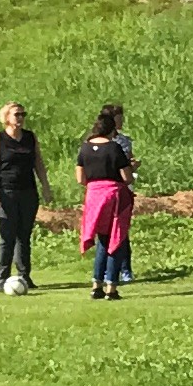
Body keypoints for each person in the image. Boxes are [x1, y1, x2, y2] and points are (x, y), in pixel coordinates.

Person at [75, 104, 139, 299]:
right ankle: (111, 286)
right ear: (112, 129)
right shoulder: (114, 147)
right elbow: (127, 177)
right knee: (116, 239)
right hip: (114, 196)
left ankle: (96, 284)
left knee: (102, 239)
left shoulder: (85, 148)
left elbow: (80, 178)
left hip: (93, 195)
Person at [0, 101, 46, 294]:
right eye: (16, 114)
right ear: (6, 118)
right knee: (7, 235)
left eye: (23, 114)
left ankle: (24, 275)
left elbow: (38, 162)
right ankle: (2, 278)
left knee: (24, 235)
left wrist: (45, 186)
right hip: (6, 191)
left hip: (28, 191)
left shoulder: (30, 137)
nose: (20, 118)